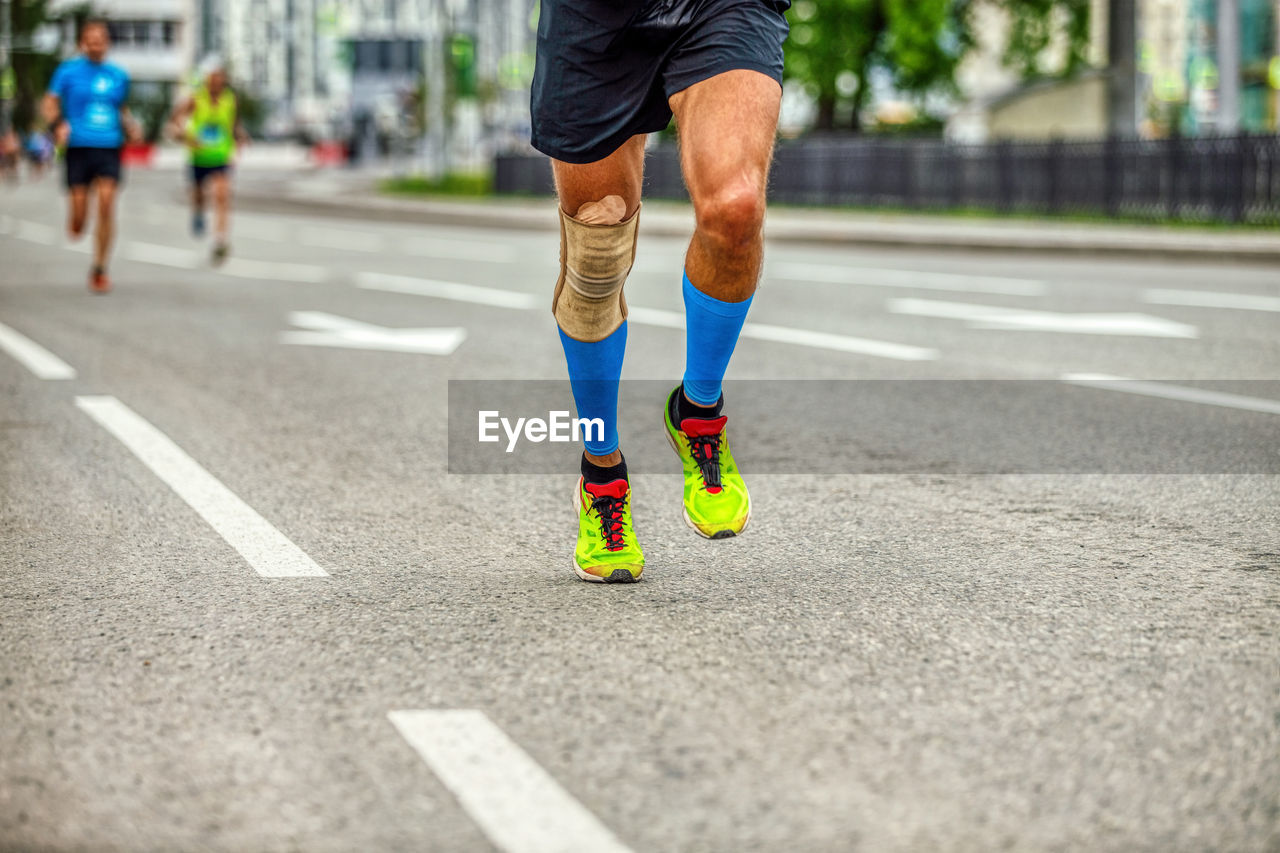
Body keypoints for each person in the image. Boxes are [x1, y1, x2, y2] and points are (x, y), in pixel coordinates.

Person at [531, 1, 789, 582]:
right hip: (593, 16)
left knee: (736, 211)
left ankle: (698, 414)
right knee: (596, 255)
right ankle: (602, 474)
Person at [42, 19, 140, 293]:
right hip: (78, 146)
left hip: (109, 145)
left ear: (107, 42)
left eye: (101, 38)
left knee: (108, 204)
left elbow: (121, 109)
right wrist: (58, 124)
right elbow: (50, 102)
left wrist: (130, 126)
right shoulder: (68, 72)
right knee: (80, 216)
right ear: (82, 43)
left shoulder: (118, 75)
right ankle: (76, 219)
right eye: (91, 39)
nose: (97, 43)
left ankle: (100, 268)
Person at [168, 58, 247, 263]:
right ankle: (198, 212)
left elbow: (233, 123)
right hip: (198, 156)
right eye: (212, 77)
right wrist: (183, 134)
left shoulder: (230, 99)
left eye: (220, 77)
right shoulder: (195, 98)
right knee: (199, 196)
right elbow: (175, 121)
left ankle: (220, 240)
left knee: (222, 196)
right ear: (206, 79)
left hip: (221, 156)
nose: (216, 81)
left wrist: (240, 137)